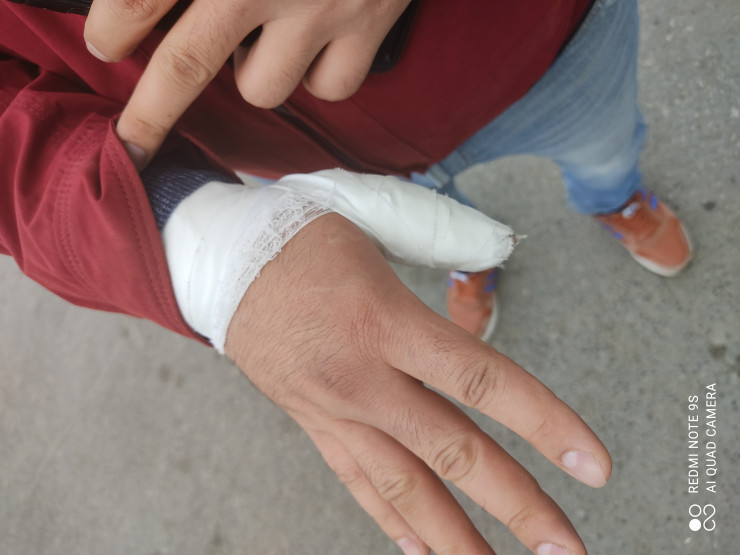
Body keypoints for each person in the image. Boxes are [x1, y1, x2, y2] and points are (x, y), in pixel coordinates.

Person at [0, 0, 692, 553]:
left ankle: (616, 200)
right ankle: (467, 257)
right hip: (290, 144)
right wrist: (209, 243)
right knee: (421, 221)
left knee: (604, 146)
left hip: (538, 42)